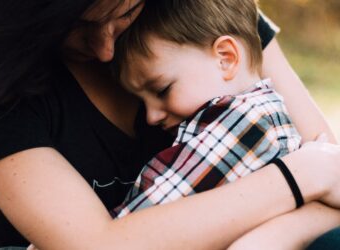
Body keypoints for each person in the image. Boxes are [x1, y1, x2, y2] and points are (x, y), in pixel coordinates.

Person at [0, 0, 339, 249]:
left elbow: (334, 188)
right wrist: (300, 176)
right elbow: (92, 246)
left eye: (123, 13)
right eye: (75, 26)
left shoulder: (206, 18)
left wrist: (273, 238)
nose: (105, 50)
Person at [111, 0, 303, 217]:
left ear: (225, 59)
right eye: (141, 101)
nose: (151, 117)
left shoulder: (243, 123)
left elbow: (143, 219)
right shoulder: (266, 111)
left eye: (162, 90)